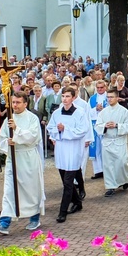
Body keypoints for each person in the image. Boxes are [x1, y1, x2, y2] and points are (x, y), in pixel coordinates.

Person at [0, 92, 45, 234]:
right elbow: (2, 137)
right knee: (9, 190)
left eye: (18, 102)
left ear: (25, 103)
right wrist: (7, 142)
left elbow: (34, 137)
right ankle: (4, 222)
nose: (15, 105)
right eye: (13, 102)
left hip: (28, 158)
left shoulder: (32, 118)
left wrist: (17, 130)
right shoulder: (9, 118)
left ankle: (34, 218)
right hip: (13, 157)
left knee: (31, 190)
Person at [47, 87, 89, 223]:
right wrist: (57, 132)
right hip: (61, 149)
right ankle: (77, 202)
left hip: (74, 149)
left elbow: (82, 130)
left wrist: (65, 129)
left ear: (73, 97)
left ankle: (62, 211)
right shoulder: (57, 113)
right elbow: (50, 127)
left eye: (67, 96)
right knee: (65, 179)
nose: (64, 99)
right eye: (63, 96)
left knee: (68, 183)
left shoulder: (80, 113)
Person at [95, 88, 128, 197]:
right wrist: (104, 126)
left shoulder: (123, 111)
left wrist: (117, 125)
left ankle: (125, 180)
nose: (109, 99)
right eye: (108, 97)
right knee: (108, 165)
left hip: (119, 140)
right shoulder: (103, 112)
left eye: (112, 97)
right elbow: (97, 126)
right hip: (107, 141)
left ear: (117, 98)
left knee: (121, 163)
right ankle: (110, 186)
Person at [88, 80, 109, 179]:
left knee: (105, 147)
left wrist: (104, 109)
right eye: (98, 87)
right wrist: (95, 109)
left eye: (102, 87)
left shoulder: (109, 97)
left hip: (106, 125)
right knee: (96, 148)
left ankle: (107, 169)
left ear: (105, 87)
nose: (100, 89)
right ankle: (98, 170)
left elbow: (112, 110)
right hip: (95, 125)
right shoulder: (92, 98)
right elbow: (87, 113)